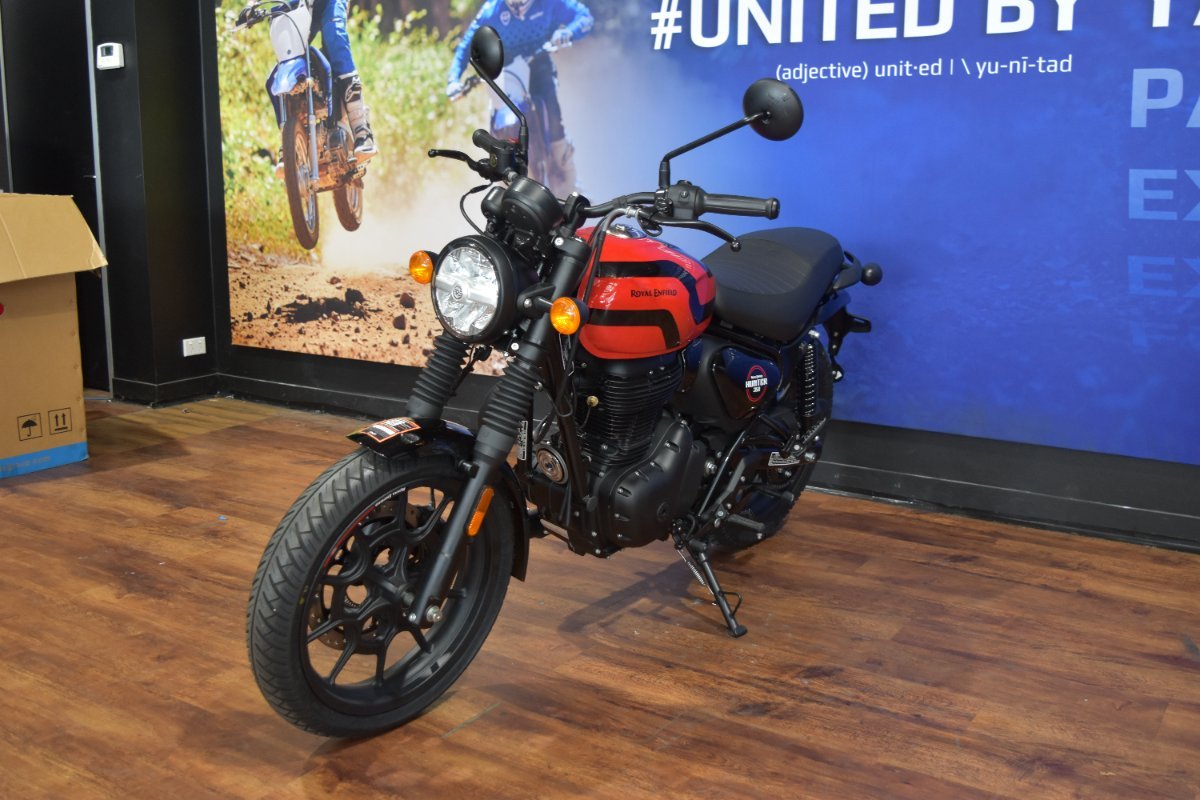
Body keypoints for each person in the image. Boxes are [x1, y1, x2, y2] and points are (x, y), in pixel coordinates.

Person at [447, 0, 593, 194]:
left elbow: (584, 17)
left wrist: (569, 32)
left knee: (554, 122)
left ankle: (571, 186)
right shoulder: (491, 10)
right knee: (499, 120)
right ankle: (501, 178)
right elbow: (466, 46)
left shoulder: (549, 3)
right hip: (506, 74)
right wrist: (453, 80)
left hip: (539, 68)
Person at [311, 0, 377, 161]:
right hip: (299, 4)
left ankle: (361, 130)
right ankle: (289, 142)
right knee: (288, 46)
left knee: (335, 34)